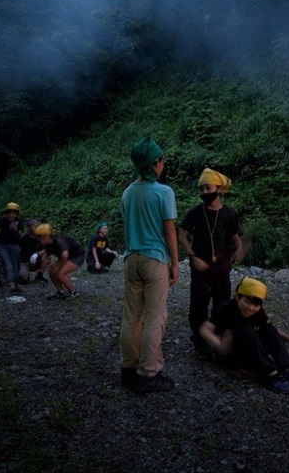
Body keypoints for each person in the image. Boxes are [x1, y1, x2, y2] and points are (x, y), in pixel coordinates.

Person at [120, 136, 179, 393]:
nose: (163, 164)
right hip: (154, 260)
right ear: (155, 163)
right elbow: (169, 231)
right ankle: (149, 373)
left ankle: (128, 367)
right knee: (155, 317)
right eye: (161, 160)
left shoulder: (127, 192)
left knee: (132, 315)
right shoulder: (163, 192)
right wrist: (175, 263)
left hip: (131, 259)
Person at [179, 168, 247, 360]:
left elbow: (234, 237)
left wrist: (239, 248)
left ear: (219, 189)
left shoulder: (229, 214)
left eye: (207, 188)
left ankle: (218, 339)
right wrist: (193, 256)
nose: (204, 193)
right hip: (200, 269)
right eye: (201, 189)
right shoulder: (195, 213)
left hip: (222, 268)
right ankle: (200, 342)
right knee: (199, 305)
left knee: (222, 304)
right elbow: (182, 236)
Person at [199, 276, 289, 394]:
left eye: (256, 305)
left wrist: (288, 338)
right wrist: (219, 345)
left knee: (270, 328)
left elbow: (269, 328)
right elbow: (205, 329)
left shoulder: (258, 311)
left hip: (250, 349)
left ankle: (286, 369)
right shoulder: (227, 309)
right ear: (238, 296)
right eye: (247, 302)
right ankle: (269, 374)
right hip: (231, 354)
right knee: (245, 330)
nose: (251, 308)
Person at [35, 223, 85, 300]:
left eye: (39, 236)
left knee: (60, 273)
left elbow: (65, 255)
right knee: (51, 271)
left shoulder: (59, 241)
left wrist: (59, 265)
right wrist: (49, 264)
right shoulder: (47, 243)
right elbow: (47, 255)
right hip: (66, 256)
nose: (38, 238)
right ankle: (60, 292)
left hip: (76, 256)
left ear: (46, 235)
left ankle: (73, 292)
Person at [0, 202, 24, 293]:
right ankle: (11, 285)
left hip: (14, 245)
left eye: (13, 212)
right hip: (2, 244)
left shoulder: (18, 221)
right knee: (7, 264)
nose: (11, 214)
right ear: (6, 212)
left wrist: (15, 230)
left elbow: (20, 233)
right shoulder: (2, 220)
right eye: (9, 212)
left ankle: (15, 283)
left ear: (16, 213)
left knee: (16, 264)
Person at [19, 218, 49, 284]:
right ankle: (21, 274)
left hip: (36, 259)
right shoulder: (24, 239)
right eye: (34, 226)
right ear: (29, 228)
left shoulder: (40, 238)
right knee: (24, 280)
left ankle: (40, 275)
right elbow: (25, 254)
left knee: (47, 256)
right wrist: (36, 254)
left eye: (38, 226)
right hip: (25, 261)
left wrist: (37, 253)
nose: (37, 228)